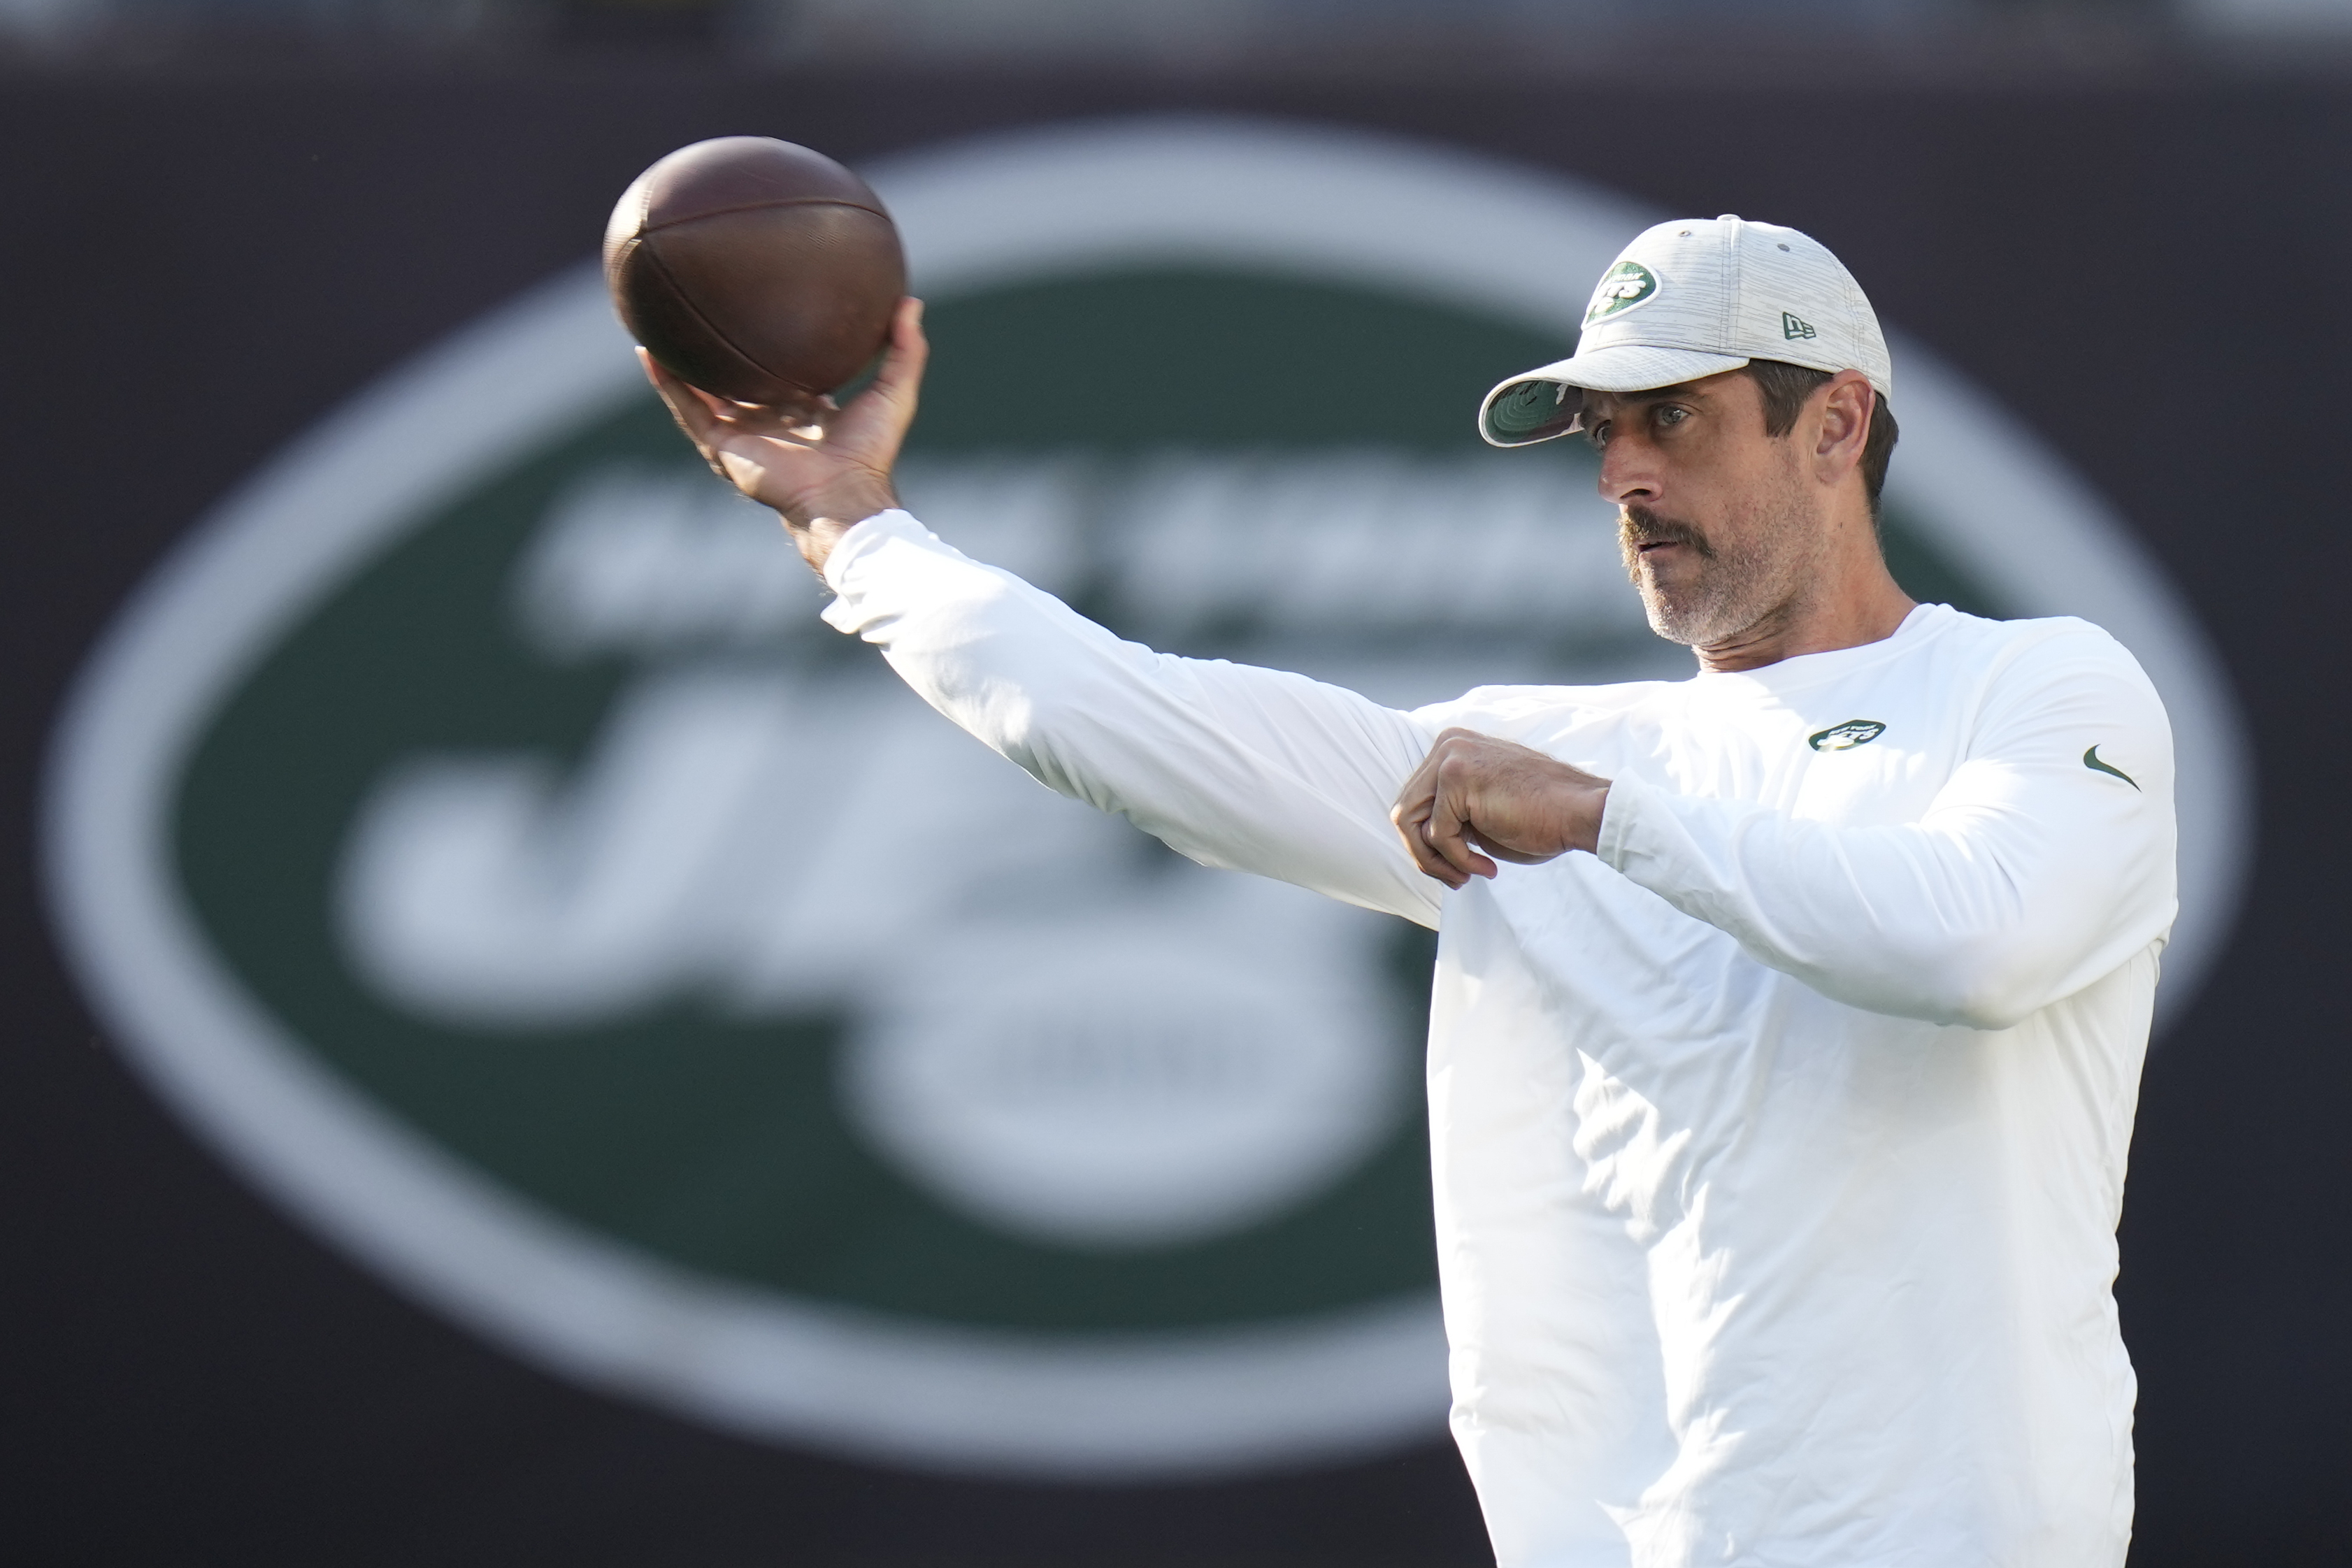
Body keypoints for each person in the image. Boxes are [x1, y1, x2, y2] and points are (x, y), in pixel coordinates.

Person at [641, 215, 2176, 1568]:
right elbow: (1118, 716)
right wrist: (851, 527)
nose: (1623, 476)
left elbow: (1976, 943)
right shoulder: (1538, 763)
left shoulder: (2033, 683)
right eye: (1598, 434)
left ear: (1834, 424)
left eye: (1674, 421)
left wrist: (1597, 819)